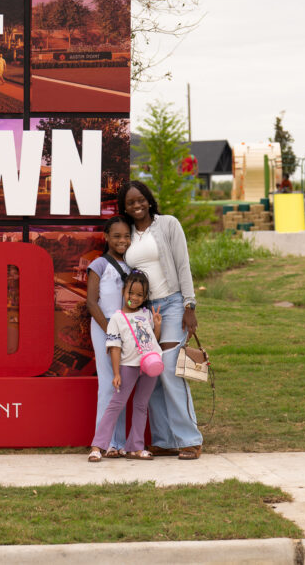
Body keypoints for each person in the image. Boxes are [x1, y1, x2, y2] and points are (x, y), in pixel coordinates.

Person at [118, 180, 204, 460]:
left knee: (168, 368)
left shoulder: (168, 224)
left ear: (149, 199)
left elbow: (182, 263)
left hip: (172, 304)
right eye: (131, 203)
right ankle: (165, 439)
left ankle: (190, 439)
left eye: (140, 199)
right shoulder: (129, 233)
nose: (137, 205)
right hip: (145, 311)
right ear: (126, 208)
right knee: (150, 373)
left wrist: (189, 305)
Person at [88, 270, 162, 462]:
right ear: (123, 292)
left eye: (139, 295)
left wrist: (157, 325)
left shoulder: (146, 314)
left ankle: (135, 447)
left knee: (141, 405)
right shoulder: (117, 318)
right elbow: (114, 347)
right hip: (128, 366)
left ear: (145, 297)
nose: (134, 298)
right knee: (116, 405)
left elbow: (152, 342)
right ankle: (98, 446)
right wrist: (116, 373)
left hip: (150, 366)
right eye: (131, 293)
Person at [85, 215, 133, 457]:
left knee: (121, 385)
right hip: (104, 330)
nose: (122, 240)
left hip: (128, 333)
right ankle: (104, 442)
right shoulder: (99, 265)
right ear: (106, 237)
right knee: (107, 385)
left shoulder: (134, 266)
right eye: (116, 236)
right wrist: (111, 331)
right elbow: (92, 304)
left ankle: (119, 443)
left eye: (126, 236)